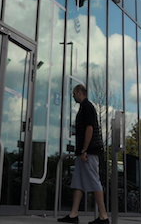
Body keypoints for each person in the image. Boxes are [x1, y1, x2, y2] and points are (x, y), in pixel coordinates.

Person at [58, 84, 108, 224]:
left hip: (89, 152)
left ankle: (103, 216)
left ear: (80, 93)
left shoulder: (87, 107)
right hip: (83, 152)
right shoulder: (83, 107)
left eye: (74, 94)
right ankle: (73, 214)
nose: (73, 96)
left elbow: (90, 128)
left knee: (94, 181)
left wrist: (85, 150)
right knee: (78, 182)